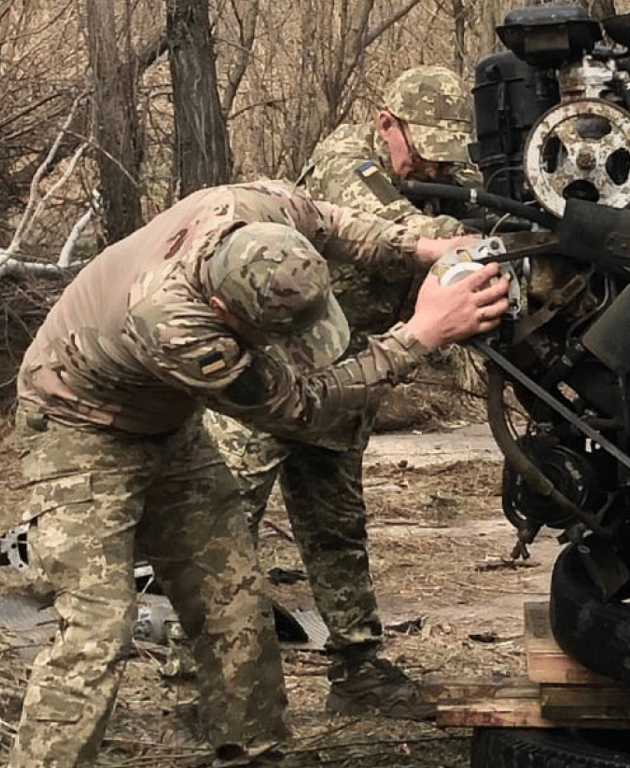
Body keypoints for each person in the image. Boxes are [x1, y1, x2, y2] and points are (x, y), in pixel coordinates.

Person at [9, 179, 509, 768]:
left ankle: (256, 753)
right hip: (78, 426)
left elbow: (329, 221)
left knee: (233, 597)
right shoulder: (174, 324)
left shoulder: (249, 207)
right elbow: (304, 408)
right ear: (224, 311)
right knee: (96, 628)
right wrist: (420, 336)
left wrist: (420, 247)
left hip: (168, 423)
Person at [202, 64, 485, 719]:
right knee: (218, 530)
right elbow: (395, 238)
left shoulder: (443, 179)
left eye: (446, 157)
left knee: (337, 531)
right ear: (386, 124)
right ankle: (198, 686)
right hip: (266, 375)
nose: (435, 169)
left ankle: (358, 675)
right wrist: (473, 239)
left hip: (345, 377)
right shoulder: (344, 161)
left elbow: (475, 200)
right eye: (422, 151)